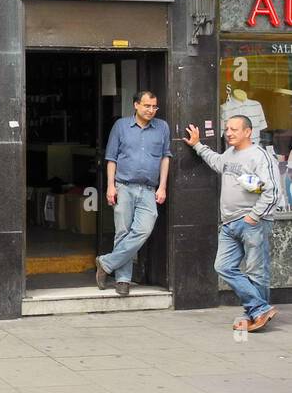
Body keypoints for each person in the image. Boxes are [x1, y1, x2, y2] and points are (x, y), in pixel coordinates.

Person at [184, 117, 280, 332]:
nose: (228, 133)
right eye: (227, 129)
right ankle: (260, 309)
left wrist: (254, 216)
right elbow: (217, 162)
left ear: (248, 132)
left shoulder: (260, 156)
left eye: (234, 129)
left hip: (252, 222)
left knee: (257, 272)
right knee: (223, 267)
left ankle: (256, 314)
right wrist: (198, 145)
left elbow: (273, 192)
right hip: (229, 223)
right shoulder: (230, 154)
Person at [95, 90, 172, 296]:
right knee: (123, 232)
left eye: (154, 106)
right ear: (136, 105)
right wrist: (110, 186)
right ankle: (123, 279)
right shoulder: (121, 126)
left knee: (143, 230)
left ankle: (106, 263)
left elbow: (165, 157)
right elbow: (111, 157)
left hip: (149, 189)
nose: (151, 110)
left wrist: (162, 186)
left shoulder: (162, 127)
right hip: (124, 186)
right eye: (147, 106)